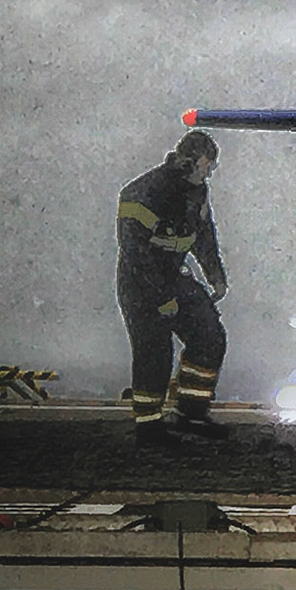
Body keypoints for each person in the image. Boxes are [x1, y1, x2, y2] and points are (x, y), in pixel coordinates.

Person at [116, 129, 230, 446]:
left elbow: (204, 236)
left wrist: (215, 275)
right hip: (140, 283)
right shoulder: (142, 194)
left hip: (174, 275)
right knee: (154, 350)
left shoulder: (197, 193)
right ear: (192, 161)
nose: (210, 172)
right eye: (208, 165)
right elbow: (136, 255)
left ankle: (190, 412)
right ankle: (149, 425)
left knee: (209, 334)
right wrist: (161, 299)